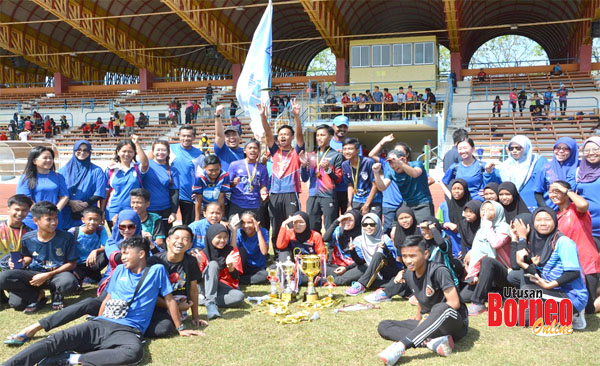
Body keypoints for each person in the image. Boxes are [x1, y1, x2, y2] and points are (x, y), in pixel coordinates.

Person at [2, 236, 202, 366]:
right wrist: (98, 323)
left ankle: (71, 359)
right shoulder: (119, 271)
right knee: (54, 341)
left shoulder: (156, 271)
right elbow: (108, 298)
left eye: (126, 253)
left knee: (133, 353)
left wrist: (180, 327)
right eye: (121, 253)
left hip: (129, 330)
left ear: (141, 254)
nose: (122, 257)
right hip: (103, 322)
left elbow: (169, 299)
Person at [377, 236, 468, 365]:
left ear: (425, 254)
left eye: (412, 256)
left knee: (441, 307)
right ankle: (432, 343)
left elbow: (454, 303)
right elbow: (421, 298)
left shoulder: (439, 271)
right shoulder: (408, 274)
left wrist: (425, 319)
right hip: (431, 324)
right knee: (384, 326)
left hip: (453, 323)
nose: (408, 260)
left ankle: (401, 346)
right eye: (404, 256)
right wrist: (418, 318)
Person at [514, 207, 588, 329]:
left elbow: (573, 273)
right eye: (538, 220)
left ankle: (573, 314)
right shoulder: (536, 241)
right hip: (552, 291)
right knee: (517, 279)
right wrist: (521, 261)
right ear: (533, 222)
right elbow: (522, 265)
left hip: (571, 295)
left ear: (554, 221)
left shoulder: (564, 242)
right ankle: (555, 313)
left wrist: (549, 285)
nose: (543, 223)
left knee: (525, 297)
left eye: (547, 219)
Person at [0, 201, 79, 313]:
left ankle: (56, 292)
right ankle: (37, 295)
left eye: (55, 218)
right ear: (36, 221)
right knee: (14, 299)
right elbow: (28, 257)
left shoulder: (67, 237)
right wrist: (23, 262)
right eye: (49, 219)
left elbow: (72, 264)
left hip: (56, 274)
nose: (54, 222)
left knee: (68, 282)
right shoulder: (28, 238)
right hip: (34, 275)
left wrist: (48, 274)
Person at [258, 99, 304, 252]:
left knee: (291, 224)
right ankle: (278, 253)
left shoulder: (296, 152)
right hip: (275, 194)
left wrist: (297, 116)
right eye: (281, 135)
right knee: (276, 224)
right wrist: (263, 117)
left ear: (291, 137)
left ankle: (293, 251)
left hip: (291, 194)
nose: (283, 137)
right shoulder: (275, 152)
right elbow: (268, 133)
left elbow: (300, 135)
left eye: (287, 134)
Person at [549, 181, 600, 313]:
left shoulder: (576, 210)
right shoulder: (554, 216)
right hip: (570, 265)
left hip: (587, 261)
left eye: (557, 191)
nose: (553, 194)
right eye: (551, 191)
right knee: (578, 305)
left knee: (589, 310)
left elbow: (583, 204)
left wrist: (566, 191)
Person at [461, 201, 512, 315]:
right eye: (483, 209)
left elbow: (495, 243)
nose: (486, 212)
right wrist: (472, 274)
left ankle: (478, 303)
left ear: (498, 211)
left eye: (490, 209)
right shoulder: (482, 229)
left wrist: (487, 222)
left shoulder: (504, 227)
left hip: (504, 272)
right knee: (464, 297)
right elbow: (477, 253)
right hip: (485, 273)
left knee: (488, 261)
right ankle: (495, 293)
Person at [192, 223, 244, 320]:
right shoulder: (203, 254)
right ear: (210, 237)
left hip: (224, 287)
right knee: (213, 265)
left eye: (225, 237)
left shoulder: (232, 252)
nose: (222, 240)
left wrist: (230, 266)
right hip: (206, 285)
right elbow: (198, 280)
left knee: (239, 296)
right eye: (218, 237)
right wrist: (198, 264)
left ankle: (203, 300)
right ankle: (211, 304)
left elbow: (236, 277)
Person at [301, 124, 343, 232]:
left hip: (328, 196)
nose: (319, 138)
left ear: (330, 137)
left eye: (322, 135)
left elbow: (338, 179)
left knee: (330, 226)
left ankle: (330, 248)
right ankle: (315, 248)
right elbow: (304, 179)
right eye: (318, 135)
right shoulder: (310, 155)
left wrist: (328, 170)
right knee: (312, 226)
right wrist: (303, 166)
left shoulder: (336, 155)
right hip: (312, 195)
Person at [374, 148, 434, 223]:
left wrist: (400, 164)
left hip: (422, 203)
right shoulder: (391, 171)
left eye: (394, 162)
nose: (393, 166)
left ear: (404, 159)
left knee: (425, 228)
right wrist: (376, 173)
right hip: (406, 204)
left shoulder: (416, 164)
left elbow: (415, 174)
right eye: (390, 163)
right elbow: (382, 187)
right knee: (397, 229)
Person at [345, 213, 399, 296]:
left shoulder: (385, 239)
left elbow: (392, 262)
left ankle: (361, 285)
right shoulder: (359, 241)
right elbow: (360, 262)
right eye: (365, 225)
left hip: (388, 271)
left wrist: (385, 249)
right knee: (357, 273)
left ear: (377, 225)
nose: (368, 227)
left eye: (372, 224)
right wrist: (353, 252)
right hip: (371, 273)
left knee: (378, 254)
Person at [58, 140, 107, 230]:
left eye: (86, 150)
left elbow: (100, 192)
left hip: (88, 215)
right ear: (74, 151)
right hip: (66, 213)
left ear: (89, 152)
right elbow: (58, 192)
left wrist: (85, 204)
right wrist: (70, 203)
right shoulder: (63, 171)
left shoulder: (97, 171)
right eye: (79, 149)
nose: (82, 152)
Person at [16, 146, 69, 230]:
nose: (49, 160)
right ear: (34, 161)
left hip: (54, 219)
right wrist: (41, 214)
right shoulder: (26, 178)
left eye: (50, 158)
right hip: (33, 220)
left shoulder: (58, 176)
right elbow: (25, 199)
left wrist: (55, 211)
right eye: (45, 158)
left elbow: (64, 196)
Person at [103, 137, 149, 227]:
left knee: (131, 236)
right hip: (113, 209)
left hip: (133, 209)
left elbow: (145, 164)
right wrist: (102, 210)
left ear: (134, 153)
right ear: (118, 152)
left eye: (130, 151)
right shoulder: (111, 169)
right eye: (124, 151)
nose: (126, 154)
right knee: (115, 237)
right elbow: (106, 191)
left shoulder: (137, 168)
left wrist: (137, 144)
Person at [498, 135, 549, 212]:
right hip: (513, 206)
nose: (514, 151)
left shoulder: (538, 161)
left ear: (526, 148)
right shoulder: (506, 165)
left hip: (534, 204)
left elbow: (547, 182)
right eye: (511, 148)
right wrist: (488, 173)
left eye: (518, 148)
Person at [369, 134, 404, 234]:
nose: (396, 153)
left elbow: (429, 179)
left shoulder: (409, 167)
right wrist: (382, 141)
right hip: (389, 204)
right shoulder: (387, 164)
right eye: (395, 150)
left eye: (400, 152)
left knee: (402, 229)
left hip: (404, 203)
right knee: (388, 230)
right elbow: (371, 155)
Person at [227, 139, 269, 220]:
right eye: (250, 148)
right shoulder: (235, 165)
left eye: (255, 148)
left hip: (254, 205)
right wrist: (233, 183)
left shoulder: (262, 168)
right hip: (237, 203)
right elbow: (227, 184)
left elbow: (263, 186)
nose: (253, 150)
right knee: (235, 230)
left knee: (253, 230)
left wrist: (263, 192)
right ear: (245, 150)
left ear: (259, 151)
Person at [67, 206, 109, 287]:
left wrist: (95, 251)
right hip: (77, 264)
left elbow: (107, 246)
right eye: (89, 219)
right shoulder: (73, 232)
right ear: (83, 220)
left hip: (93, 262)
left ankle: (94, 275)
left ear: (101, 220)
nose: (92, 222)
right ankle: (82, 277)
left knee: (109, 254)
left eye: (96, 219)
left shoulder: (100, 229)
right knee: (74, 282)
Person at [170, 125, 203, 225]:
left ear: (193, 137)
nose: (185, 138)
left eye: (189, 136)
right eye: (183, 135)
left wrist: (199, 191)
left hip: (189, 196)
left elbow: (205, 174)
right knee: (166, 225)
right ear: (179, 136)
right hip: (171, 195)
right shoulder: (170, 148)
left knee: (188, 226)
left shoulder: (199, 154)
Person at [342, 138, 381, 216]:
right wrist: (349, 204)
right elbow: (350, 185)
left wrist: (366, 205)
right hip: (356, 200)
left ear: (357, 150)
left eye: (350, 149)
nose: (347, 151)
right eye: (344, 149)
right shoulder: (345, 165)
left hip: (373, 201)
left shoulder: (368, 162)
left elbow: (375, 185)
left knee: (372, 225)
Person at [324, 210, 364, 285]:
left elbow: (362, 261)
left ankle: (332, 280)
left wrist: (346, 268)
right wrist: (337, 221)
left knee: (363, 269)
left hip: (352, 267)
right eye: (345, 219)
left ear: (357, 221)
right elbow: (325, 239)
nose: (346, 222)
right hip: (336, 266)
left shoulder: (362, 236)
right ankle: (345, 279)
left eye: (350, 220)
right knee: (320, 267)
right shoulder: (338, 231)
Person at [146, 140, 179, 229]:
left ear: (168, 152)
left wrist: (173, 212)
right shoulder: (146, 165)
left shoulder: (173, 170)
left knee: (164, 240)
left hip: (165, 210)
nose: (160, 152)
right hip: (148, 209)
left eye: (164, 150)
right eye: (158, 150)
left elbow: (174, 192)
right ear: (153, 152)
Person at [437, 179, 471, 258]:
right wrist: (447, 224)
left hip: (467, 246)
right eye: (454, 189)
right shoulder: (444, 206)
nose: (456, 191)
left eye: (459, 189)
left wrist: (467, 250)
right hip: (451, 245)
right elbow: (437, 223)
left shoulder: (471, 206)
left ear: (465, 190)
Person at [192, 154, 230, 220]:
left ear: (220, 166)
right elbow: (198, 199)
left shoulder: (225, 176)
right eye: (211, 170)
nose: (214, 173)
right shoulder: (199, 177)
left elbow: (221, 197)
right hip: (203, 206)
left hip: (219, 205)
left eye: (216, 169)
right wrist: (197, 218)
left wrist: (222, 217)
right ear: (204, 167)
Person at [235, 211, 269, 285]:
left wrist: (258, 230)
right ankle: (242, 278)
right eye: (243, 223)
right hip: (243, 266)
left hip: (257, 268)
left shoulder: (263, 231)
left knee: (264, 275)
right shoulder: (239, 232)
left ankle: (240, 280)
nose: (246, 225)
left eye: (250, 222)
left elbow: (264, 252)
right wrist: (234, 231)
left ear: (256, 222)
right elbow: (233, 251)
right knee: (241, 250)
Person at [213, 105, 245, 172]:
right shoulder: (222, 150)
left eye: (234, 134)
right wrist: (217, 115)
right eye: (228, 135)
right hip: (225, 182)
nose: (231, 137)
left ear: (240, 137)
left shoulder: (246, 152)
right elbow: (219, 135)